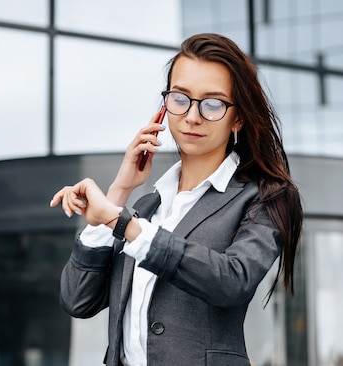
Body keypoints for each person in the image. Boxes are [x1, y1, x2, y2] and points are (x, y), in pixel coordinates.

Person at [49, 33, 303, 366]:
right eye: (180, 98)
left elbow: (232, 280)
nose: (192, 116)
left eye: (213, 104)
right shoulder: (150, 206)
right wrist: (120, 191)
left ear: (238, 117)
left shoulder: (265, 197)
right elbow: (78, 300)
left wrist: (122, 222)